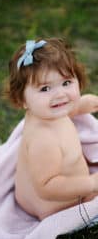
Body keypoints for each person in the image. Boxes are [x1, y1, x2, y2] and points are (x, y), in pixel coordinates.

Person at [7, 38, 98, 220]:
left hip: (42, 193)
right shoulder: (44, 140)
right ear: (22, 100)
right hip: (55, 205)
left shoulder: (42, 112)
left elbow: (60, 109)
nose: (60, 94)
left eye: (66, 83)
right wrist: (91, 184)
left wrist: (79, 106)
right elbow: (47, 187)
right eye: (45, 88)